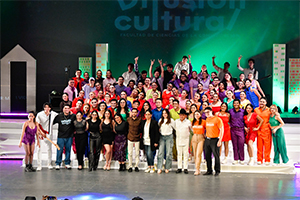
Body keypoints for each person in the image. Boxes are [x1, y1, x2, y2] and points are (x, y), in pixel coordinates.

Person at [36, 102, 58, 170]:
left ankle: (49, 163)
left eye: (48, 107)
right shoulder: (40, 114)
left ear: (50, 108)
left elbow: (60, 116)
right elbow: (37, 124)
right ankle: (39, 165)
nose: (46, 108)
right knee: (39, 149)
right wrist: (40, 132)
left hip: (49, 133)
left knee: (49, 149)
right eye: (45, 107)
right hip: (40, 133)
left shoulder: (53, 114)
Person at [53, 104, 76, 170]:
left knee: (68, 150)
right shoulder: (59, 116)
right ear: (63, 109)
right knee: (59, 150)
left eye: (68, 108)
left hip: (69, 136)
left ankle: (67, 163)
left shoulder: (72, 116)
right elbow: (52, 122)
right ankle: (58, 163)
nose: (67, 110)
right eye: (65, 108)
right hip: (61, 136)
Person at [203, 107, 224, 176]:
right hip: (208, 139)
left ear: (211, 111)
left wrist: (220, 140)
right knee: (207, 156)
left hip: (215, 139)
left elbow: (221, 129)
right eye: (205, 112)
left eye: (208, 112)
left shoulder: (217, 119)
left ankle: (217, 170)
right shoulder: (207, 119)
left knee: (216, 156)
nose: (207, 114)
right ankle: (209, 170)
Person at [157, 109, 175, 174]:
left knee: (168, 153)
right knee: (160, 153)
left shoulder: (171, 121)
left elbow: (175, 128)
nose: (164, 114)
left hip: (169, 137)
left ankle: (167, 167)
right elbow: (158, 128)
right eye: (163, 113)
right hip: (162, 137)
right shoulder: (160, 120)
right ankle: (159, 167)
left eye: (166, 113)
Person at [174, 109, 192, 174]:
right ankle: (179, 167)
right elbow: (174, 128)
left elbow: (191, 129)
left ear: (185, 116)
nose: (181, 116)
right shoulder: (176, 121)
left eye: (182, 115)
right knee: (179, 154)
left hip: (186, 139)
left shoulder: (188, 122)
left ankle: (185, 168)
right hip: (178, 139)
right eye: (180, 115)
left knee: (185, 154)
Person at [229, 99, 245, 165]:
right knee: (234, 145)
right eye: (234, 103)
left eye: (237, 103)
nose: (236, 104)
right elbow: (228, 119)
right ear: (233, 104)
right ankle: (236, 159)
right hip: (233, 129)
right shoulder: (230, 111)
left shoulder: (243, 111)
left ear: (239, 104)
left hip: (241, 129)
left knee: (241, 144)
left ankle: (242, 159)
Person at [191, 110, 206, 176]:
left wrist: (204, 136)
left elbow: (207, 129)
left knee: (198, 154)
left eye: (198, 114)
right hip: (194, 137)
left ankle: (197, 169)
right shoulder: (193, 122)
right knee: (195, 153)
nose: (197, 115)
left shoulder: (203, 122)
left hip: (201, 137)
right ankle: (197, 168)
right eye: (195, 114)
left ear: (200, 115)